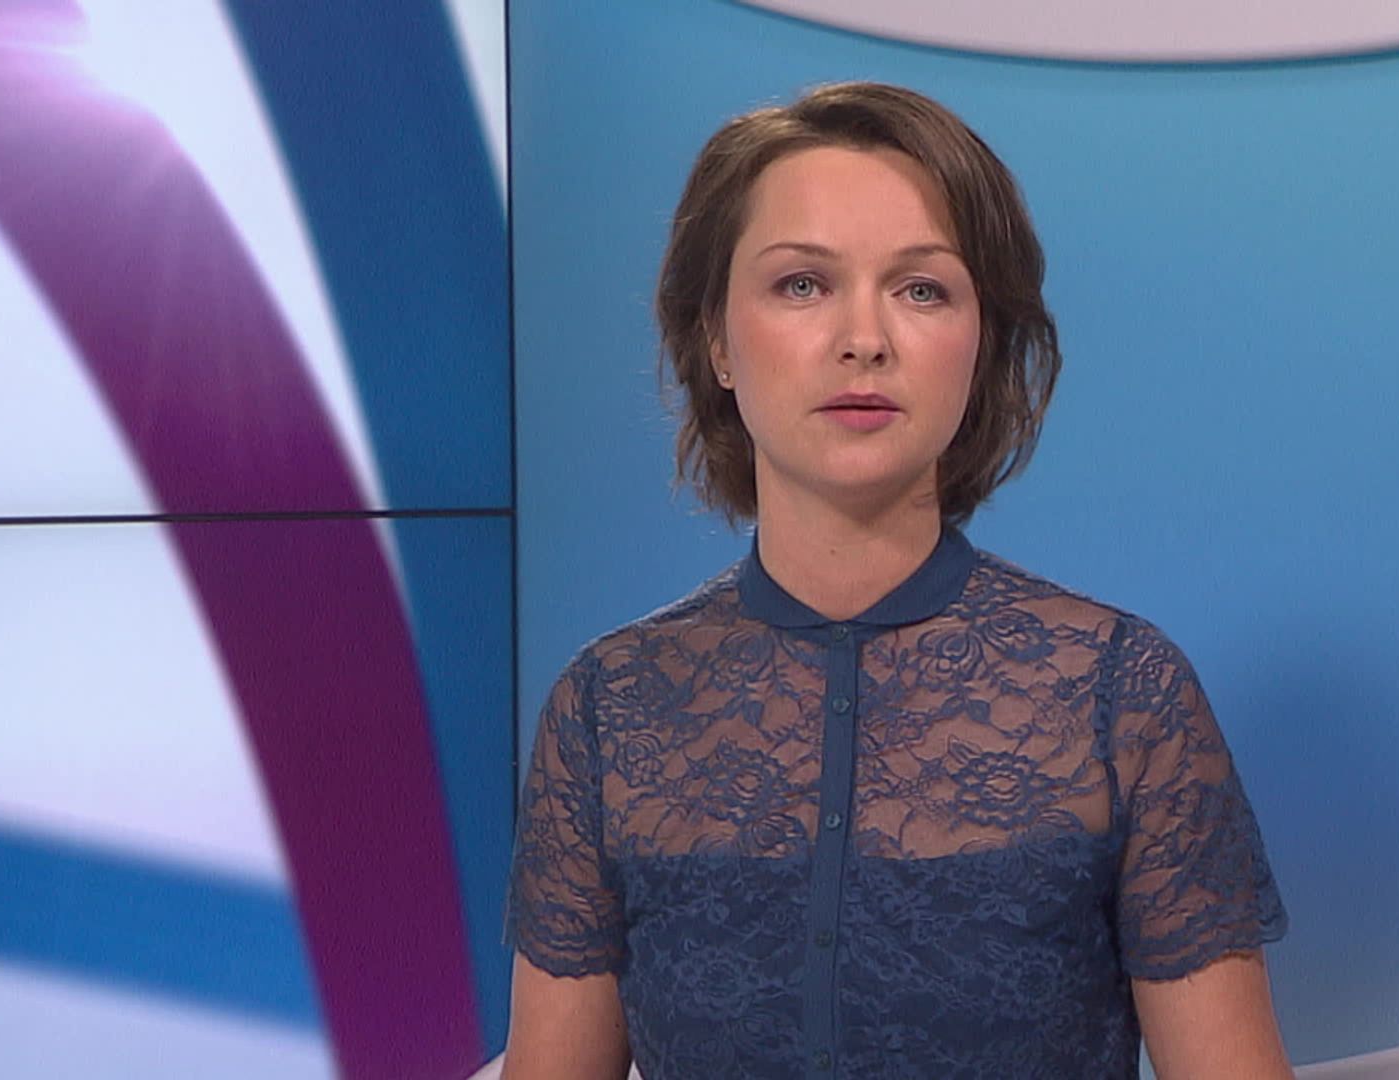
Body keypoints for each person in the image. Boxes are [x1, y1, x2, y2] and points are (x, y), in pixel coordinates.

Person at [502, 81, 1291, 1079]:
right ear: (717, 342)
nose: (863, 339)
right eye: (802, 285)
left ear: (984, 340)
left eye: (921, 289)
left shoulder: (1120, 696)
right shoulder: (608, 711)